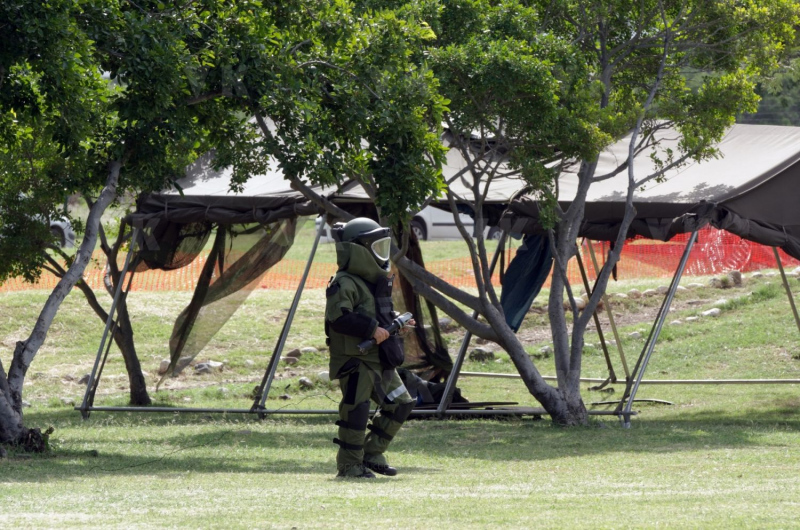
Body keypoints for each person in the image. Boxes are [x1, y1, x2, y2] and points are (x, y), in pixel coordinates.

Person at [324, 217, 415, 478]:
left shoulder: (372, 281)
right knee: (357, 411)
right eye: (375, 246)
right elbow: (339, 318)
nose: (382, 253)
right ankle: (350, 466)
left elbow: (374, 311)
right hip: (357, 359)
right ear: (358, 249)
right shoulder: (343, 282)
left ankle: (373, 454)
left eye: (383, 246)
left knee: (401, 404)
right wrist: (370, 329)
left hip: (380, 357)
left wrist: (397, 322)